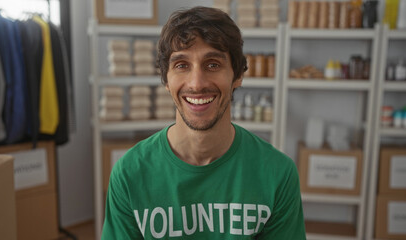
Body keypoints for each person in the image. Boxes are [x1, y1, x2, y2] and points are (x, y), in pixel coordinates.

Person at [102, 6, 306, 239]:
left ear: (237, 75)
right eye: (181, 65)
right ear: (166, 79)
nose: (197, 83)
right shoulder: (129, 174)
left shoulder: (277, 174)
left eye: (213, 64)